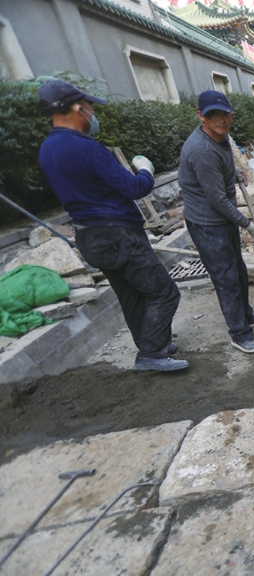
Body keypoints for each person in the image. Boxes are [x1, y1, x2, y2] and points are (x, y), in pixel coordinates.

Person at [37, 80, 187, 372]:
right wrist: (146, 170)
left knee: (130, 294)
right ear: (78, 108)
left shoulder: (47, 149)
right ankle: (152, 354)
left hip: (89, 235)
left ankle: (152, 344)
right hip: (118, 233)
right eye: (90, 107)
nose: (93, 113)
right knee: (163, 291)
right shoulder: (85, 147)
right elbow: (132, 187)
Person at [178, 90, 254, 354]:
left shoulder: (220, 137)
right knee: (226, 278)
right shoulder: (201, 150)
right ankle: (240, 334)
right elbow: (217, 200)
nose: (220, 119)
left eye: (224, 114)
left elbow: (219, 175)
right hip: (207, 224)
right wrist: (247, 224)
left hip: (220, 220)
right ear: (200, 116)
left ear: (231, 115)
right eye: (212, 115)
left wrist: (236, 173)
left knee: (238, 271)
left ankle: (246, 315)